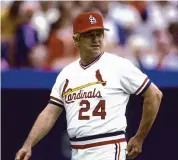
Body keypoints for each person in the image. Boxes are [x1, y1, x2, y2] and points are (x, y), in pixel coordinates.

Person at [15, 12, 163, 160]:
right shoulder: (66, 73)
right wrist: (28, 144)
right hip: (78, 151)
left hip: (108, 148)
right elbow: (50, 113)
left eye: (99, 34)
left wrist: (139, 137)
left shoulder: (118, 65)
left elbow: (154, 94)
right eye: (89, 34)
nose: (96, 39)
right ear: (76, 39)